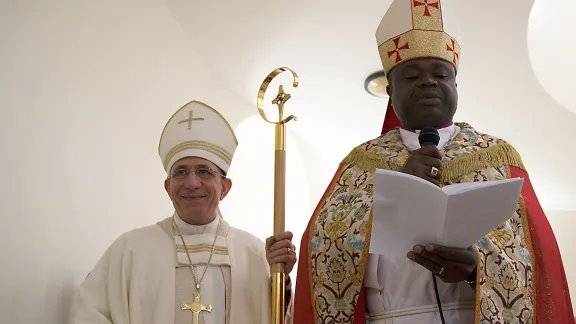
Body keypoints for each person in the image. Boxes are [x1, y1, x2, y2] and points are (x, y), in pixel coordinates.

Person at [292, 0, 574, 323]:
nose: (428, 81)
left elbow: (536, 265)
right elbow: (325, 252)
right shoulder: (358, 167)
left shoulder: (498, 159)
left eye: (441, 73)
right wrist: (395, 190)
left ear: (455, 85)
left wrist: (475, 269)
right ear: (390, 91)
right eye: (411, 75)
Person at [71, 100, 297, 324]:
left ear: (225, 188)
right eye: (180, 172)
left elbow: (281, 318)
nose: (192, 182)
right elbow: (90, 313)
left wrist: (280, 279)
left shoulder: (254, 254)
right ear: (168, 187)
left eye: (204, 171)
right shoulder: (129, 250)